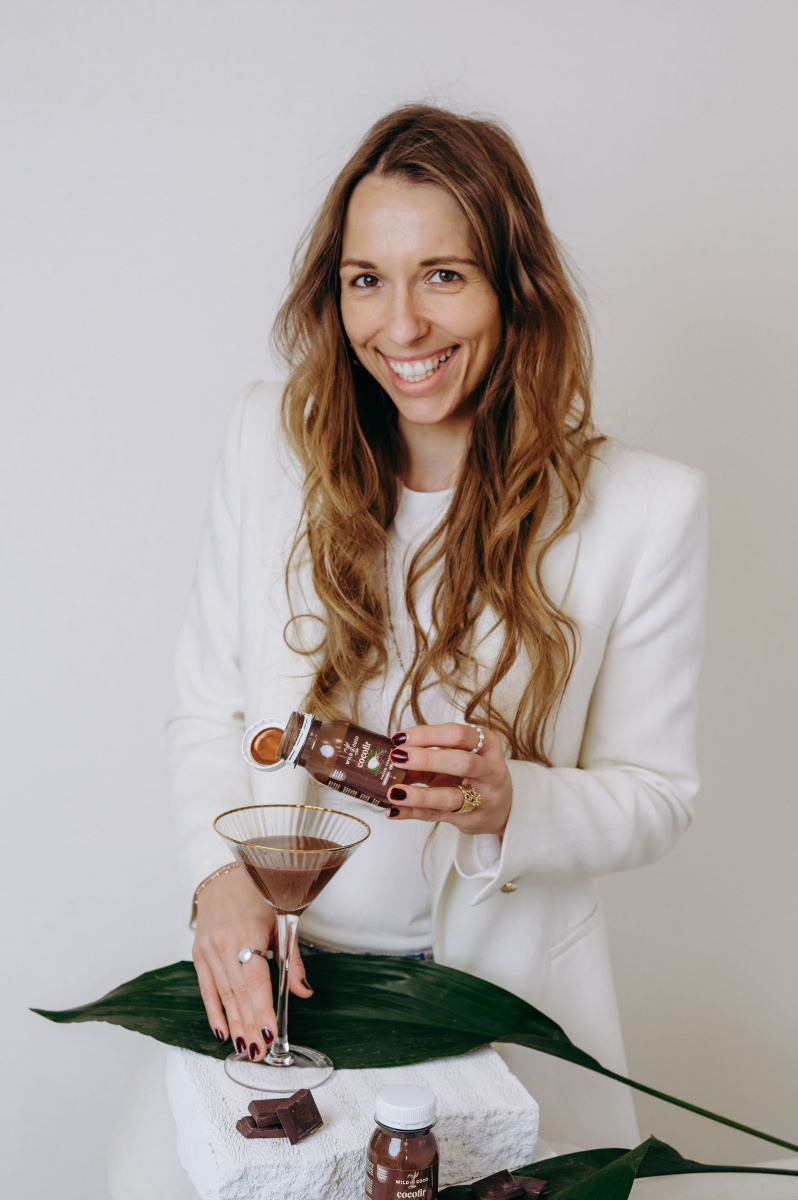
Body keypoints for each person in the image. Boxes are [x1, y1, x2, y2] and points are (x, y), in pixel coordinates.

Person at [167, 104, 707, 1154]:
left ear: (517, 289)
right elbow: (209, 709)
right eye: (366, 279)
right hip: (291, 991)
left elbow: (658, 795)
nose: (401, 326)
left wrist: (515, 802)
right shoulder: (267, 443)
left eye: (444, 275)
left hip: (494, 1012)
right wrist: (217, 880)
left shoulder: (647, 508)